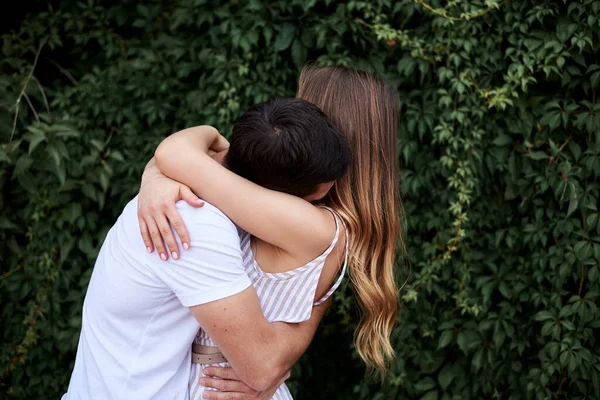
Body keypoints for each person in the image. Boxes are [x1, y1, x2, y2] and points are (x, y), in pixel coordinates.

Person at [138, 65, 404, 398]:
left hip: (217, 386)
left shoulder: (305, 222)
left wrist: (157, 176)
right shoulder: (293, 208)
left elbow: (179, 157)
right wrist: (160, 177)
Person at [61, 96, 350, 400]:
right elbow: (263, 368)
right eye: (312, 200)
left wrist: (155, 173)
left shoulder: (207, 183)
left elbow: (203, 145)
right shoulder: (196, 225)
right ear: (274, 195)